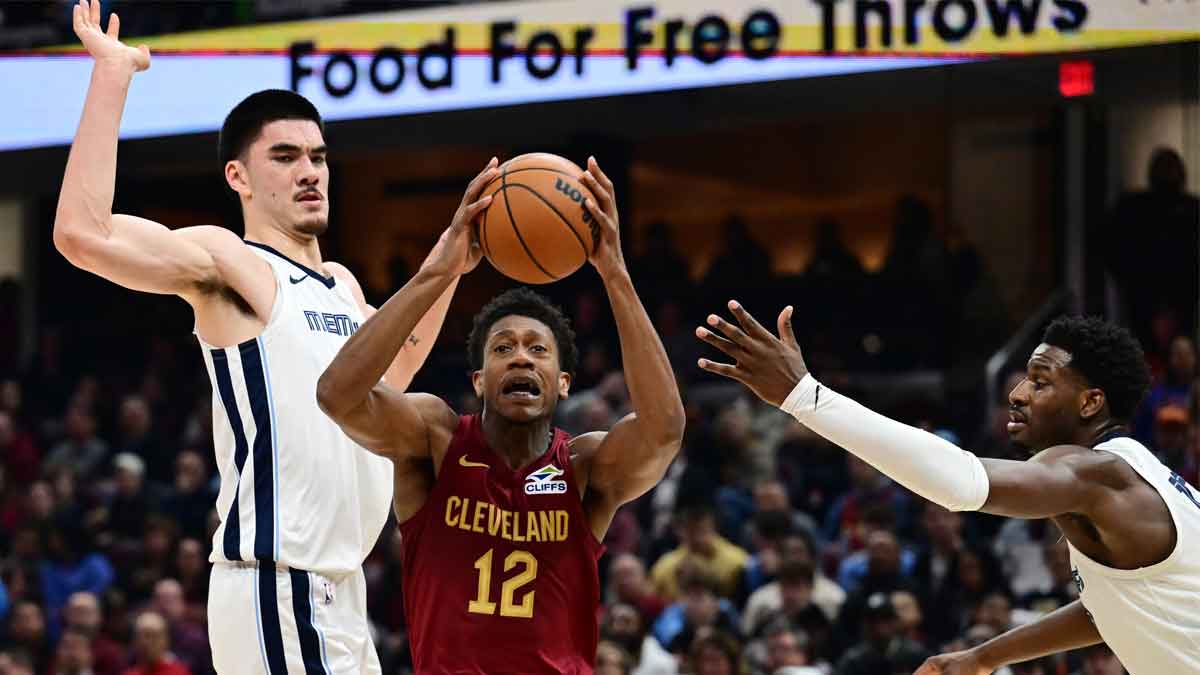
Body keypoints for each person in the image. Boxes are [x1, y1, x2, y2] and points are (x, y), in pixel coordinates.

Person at [54, 2, 457, 671]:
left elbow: (391, 376)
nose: (311, 172)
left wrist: (454, 258)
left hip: (342, 591)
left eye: (319, 157)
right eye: (287, 156)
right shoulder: (231, 262)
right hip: (277, 582)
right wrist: (112, 76)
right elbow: (82, 234)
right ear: (238, 177)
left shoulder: (342, 285)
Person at [317, 157, 685, 672]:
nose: (520, 356)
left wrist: (616, 274)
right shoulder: (435, 441)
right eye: (503, 348)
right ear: (479, 380)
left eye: (538, 350)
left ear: (562, 384)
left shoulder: (584, 469)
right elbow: (338, 396)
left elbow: (665, 429)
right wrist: (439, 271)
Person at [695, 304, 1200, 674]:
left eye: (1040, 382)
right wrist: (983, 657)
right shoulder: (1135, 472)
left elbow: (960, 482)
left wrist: (806, 398)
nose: (1017, 394)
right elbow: (1109, 609)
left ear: (1091, 403)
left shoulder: (1095, 475)